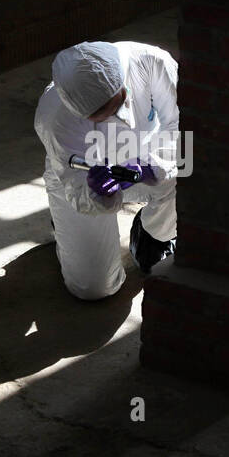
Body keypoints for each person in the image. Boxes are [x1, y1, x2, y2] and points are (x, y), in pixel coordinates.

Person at [34, 40, 180, 300]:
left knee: (186, 172)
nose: (114, 115)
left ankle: (152, 235)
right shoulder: (54, 116)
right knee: (94, 288)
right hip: (83, 177)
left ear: (121, 80)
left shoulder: (151, 62)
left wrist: (153, 165)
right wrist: (94, 192)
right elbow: (75, 181)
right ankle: (63, 224)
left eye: (117, 103)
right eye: (98, 115)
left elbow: (182, 128)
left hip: (148, 154)